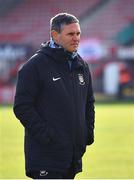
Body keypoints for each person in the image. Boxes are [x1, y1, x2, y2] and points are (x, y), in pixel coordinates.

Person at [13, 13, 95, 179]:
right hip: (45, 157)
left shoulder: (81, 65)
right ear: (54, 35)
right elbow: (22, 106)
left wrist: (87, 133)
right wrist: (47, 136)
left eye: (78, 33)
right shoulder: (34, 66)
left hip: (72, 156)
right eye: (70, 34)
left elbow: (88, 103)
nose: (76, 38)